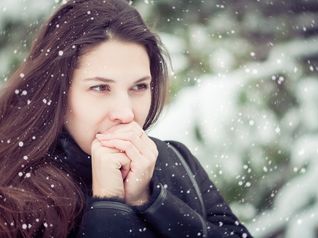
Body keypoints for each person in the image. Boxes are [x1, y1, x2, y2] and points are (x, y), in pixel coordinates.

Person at [0, 0, 253, 237]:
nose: (126, 113)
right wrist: (109, 204)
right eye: (100, 88)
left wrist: (150, 201)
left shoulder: (176, 161)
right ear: (58, 92)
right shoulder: (11, 192)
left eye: (139, 87)